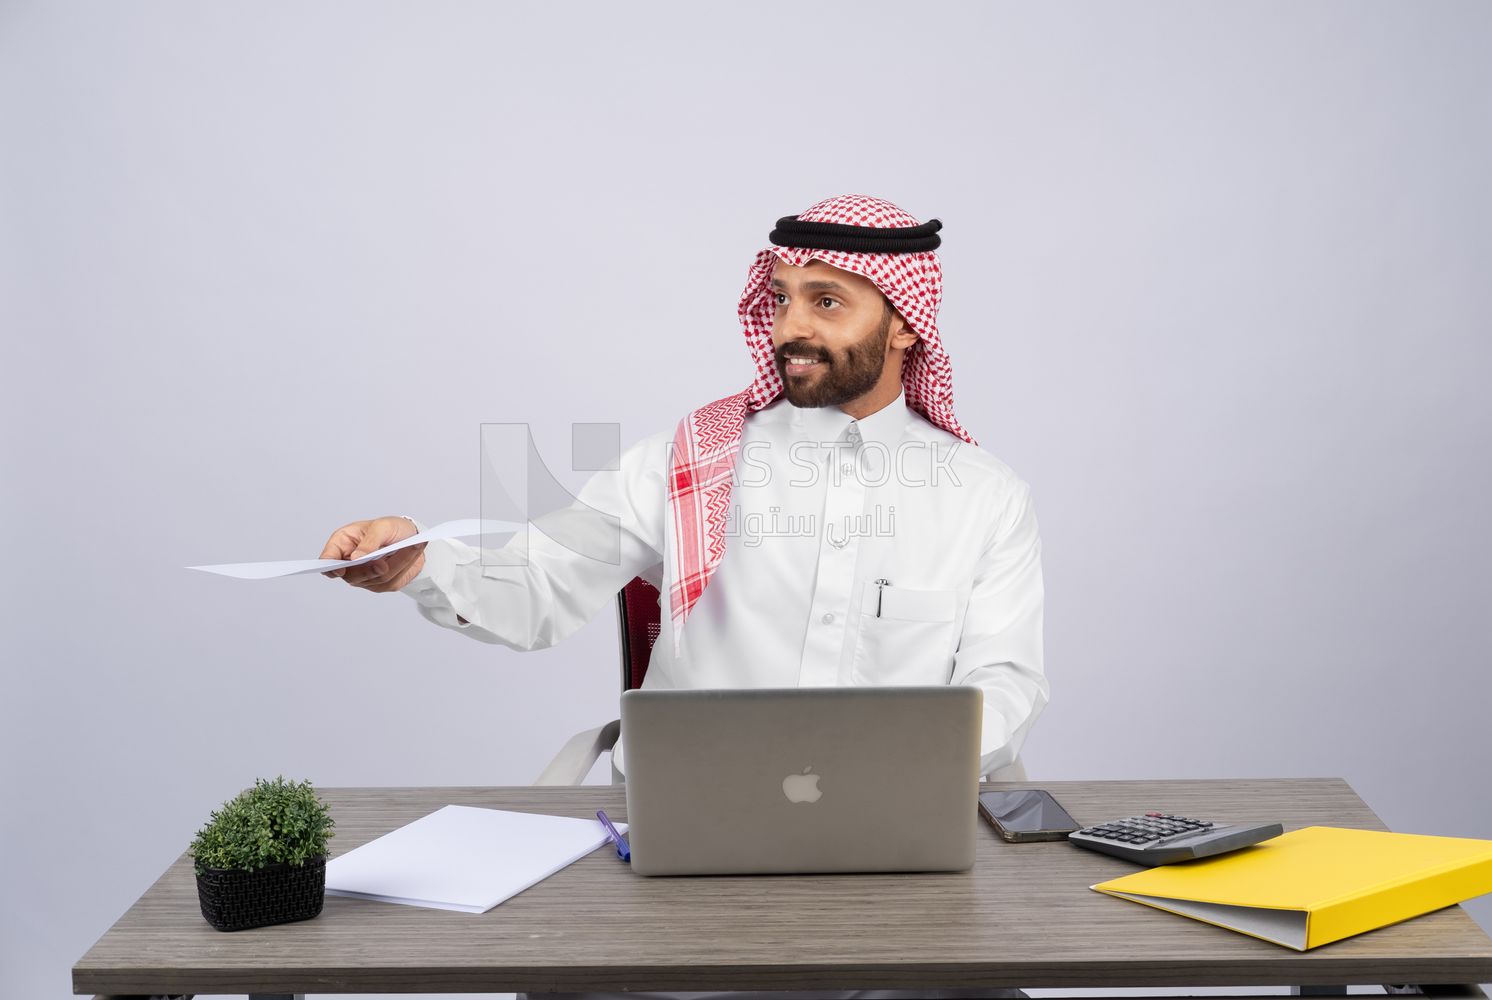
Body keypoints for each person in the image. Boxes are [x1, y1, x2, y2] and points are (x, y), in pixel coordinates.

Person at [320, 193, 1038, 1000]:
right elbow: (538, 584)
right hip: (685, 854)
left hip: (899, 857)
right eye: (780, 299)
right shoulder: (686, 461)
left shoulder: (983, 496)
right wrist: (420, 565)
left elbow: (1005, 680)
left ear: (904, 322)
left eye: (826, 301)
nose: (789, 328)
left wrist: (907, 777)